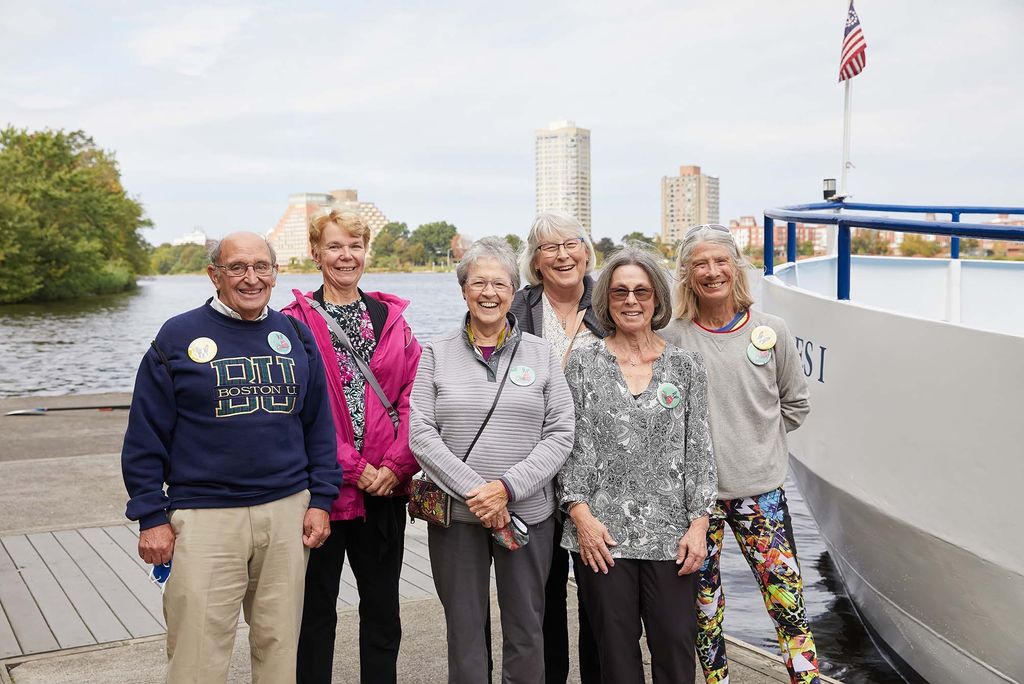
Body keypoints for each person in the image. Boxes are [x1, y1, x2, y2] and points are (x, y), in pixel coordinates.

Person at [121, 231, 342, 684]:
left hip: (286, 513)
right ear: (214, 275)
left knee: (280, 647)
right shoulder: (178, 336)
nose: (251, 277)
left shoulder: (295, 334)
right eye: (237, 267)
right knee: (197, 654)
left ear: (276, 274)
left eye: (262, 267)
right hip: (203, 518)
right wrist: (150, 515)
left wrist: (321, 501)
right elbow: (145, 435)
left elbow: (319, 426)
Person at [409, 237, 575, 683]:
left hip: (526, 515)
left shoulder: (540, 354)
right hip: (458, 518)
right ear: (463, 289)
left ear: (514, 290)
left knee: (526, 629)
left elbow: (560, 433)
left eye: (500, 284)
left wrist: (505, 489)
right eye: (478, 282)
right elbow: (421, 435)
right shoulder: (435, 353)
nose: (489, 293)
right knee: (464, 630)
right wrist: (477, 493)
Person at [661, 224, 817, 684]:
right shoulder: (671, 339)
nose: (712, 272)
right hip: (697, 506)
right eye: (700, 264)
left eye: (720, 261)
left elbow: (796, 404)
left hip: (761, 496)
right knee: (705, 613)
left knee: (789, 608)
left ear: (736, 266)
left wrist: (757, 440)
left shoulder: (772, 331)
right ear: (687, 275)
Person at [558, 244, 717, 684]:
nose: (631, 301)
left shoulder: (685, 366)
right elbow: (573, 445)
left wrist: (699, 525)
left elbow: (699, 448)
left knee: (675, 644)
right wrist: (580, 515)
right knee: (614, 653)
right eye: (621, 292)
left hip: (672, 537)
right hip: (602, 537)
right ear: (606, 300)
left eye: (642, 292)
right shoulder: (585, 363)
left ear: (657, 299)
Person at [281, 210, 422, 684]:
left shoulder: (392, 320)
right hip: (323, 492)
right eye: (336, 246)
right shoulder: (292, 325)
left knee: (382, 609)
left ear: (367, 251)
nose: (347, 256)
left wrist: (398, 464)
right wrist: (352, 467)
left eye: (355, 245)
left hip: (386, 488)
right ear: (316, 254)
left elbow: (415, 397)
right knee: (315, 612)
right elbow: (296, 408)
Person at [510, 212, 604, 684]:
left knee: (600, 597)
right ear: (536, 260)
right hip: (536, 472)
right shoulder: (517, 309)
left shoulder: (613, 303)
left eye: (571, 244)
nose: (563, 255)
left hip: (601, 475)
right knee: (541, 597)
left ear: (587, 252)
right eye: (550, 247)